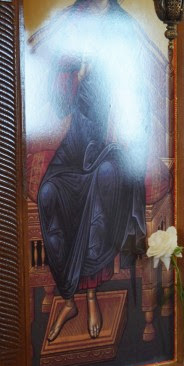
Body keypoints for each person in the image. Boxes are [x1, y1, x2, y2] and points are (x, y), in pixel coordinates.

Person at [30, 0, 150, 342]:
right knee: (49, 192)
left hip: (112, 145)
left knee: (100, 184)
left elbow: (136, 97)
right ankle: (69, 298)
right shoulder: (72, 21)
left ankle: (91, 297)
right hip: (78, 141)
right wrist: (76, 76)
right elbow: (58, 103)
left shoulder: (123, 26)